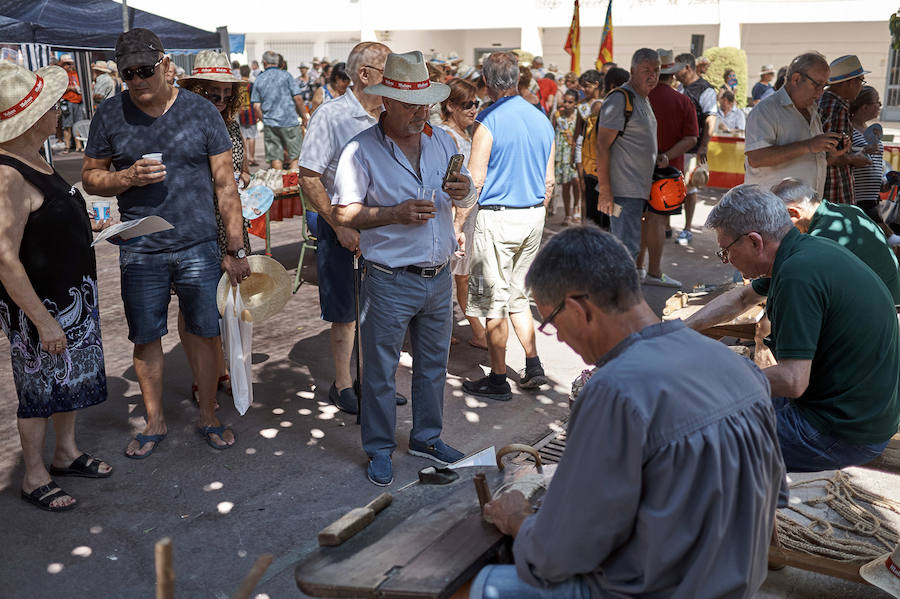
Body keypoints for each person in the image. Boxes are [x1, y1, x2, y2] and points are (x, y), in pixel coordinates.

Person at [469, 226, 786, 598]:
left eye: (552, 323)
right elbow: (772, 497)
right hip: (736, 586)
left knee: (484, 584)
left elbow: (559, 555)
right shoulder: (741, 368)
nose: (561, 338)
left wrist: (517, 519)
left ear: (577, 309)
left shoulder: (613, 390)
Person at [82, 28, 250, 457]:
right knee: (146, 336)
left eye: (145, 70)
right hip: (141, 245)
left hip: (197, 245)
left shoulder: (200, 112)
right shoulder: (109, 114)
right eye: (128, 73)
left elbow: (225, 184)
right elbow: (89, 176)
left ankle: (209, 413)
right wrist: (125, 178)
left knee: (204, 332)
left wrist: (235, 246)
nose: (137, 80)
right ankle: (155, 420)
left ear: (166, 66)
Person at [332, 50, 475, 485]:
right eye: (410, 103)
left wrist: (465, 188)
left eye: (424, 103)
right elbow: (342, 214)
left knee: (433, 367)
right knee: (379, 372)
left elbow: (463, 197)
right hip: (390, 279)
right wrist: (391, 214)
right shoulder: (360, 150)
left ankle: (426, 437)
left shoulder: (443, 142)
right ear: (386, 102)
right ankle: (378, 447)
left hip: (437, 276)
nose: (419, 111)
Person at [685, 185, 900, 472]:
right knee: (715, 404)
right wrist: (679, 332)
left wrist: (715, 379)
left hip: (841, 430)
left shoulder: (797, 276)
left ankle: (736, 512)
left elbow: (792, 380)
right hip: (858, 411)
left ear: (754, 242)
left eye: (726, 252)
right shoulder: (805, 249)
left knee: (693, 438)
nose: (728, 260)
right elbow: (742, 297)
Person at [0, 61, 113, 512]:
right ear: (32, 117)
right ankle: (33, 475)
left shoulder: (35, 158)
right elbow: (4, 257)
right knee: (38, 390)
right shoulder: (7, 174)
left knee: (68, 382)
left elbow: (44, 217)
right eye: (53, 108)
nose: (59, 115)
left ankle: (65, 453)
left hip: (69, 296)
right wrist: (44, 321)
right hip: (40, 306)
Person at [298, 42, 393, 414]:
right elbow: (309, 177)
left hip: (385, 226)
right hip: (343, 226)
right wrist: (338, 226)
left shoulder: (391, 113)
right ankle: (343, 384)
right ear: (365, 74)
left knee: (383, 308)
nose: (396, 79)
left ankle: (374, 381)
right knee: (346, 310)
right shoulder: (332, 115)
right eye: (389, 70)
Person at [458, 51, 555, 402]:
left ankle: (497, 379)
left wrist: (458, 222)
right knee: (517, 296)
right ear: (517, 80)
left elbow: (476, 180)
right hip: (532, 216)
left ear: (485, 82)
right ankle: (533, 364)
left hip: (498, 217)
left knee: (492, 301)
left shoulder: (488, 120)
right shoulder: (542, 118)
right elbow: (549, 183)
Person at [176, 50, 253, 404]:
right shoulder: (180, 125)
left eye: (227, 94)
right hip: (198, 223)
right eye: (212, 93)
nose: (221, 100)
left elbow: (243, 167)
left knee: (230, 302)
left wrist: (244, 178)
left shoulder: (232, 124)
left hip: (231, 222)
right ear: (195, 90)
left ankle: (222, 368)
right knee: (196, 305)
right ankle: (201, 375)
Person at [770, 177, 900, 303]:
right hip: (888, 299)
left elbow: (798, 282)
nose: (780, 231)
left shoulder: (822, 235)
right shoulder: (846, 210)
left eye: (780, 222)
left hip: (883, 308)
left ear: (794, 213)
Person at [744, 52, 843, 199]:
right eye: (817, 85)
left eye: (825, 86)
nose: (821, 92)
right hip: (771, 211)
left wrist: (831, 151)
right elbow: (756, 158)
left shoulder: (812, 110)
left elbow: (808, 160)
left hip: (804, 209)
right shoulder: (766, 110)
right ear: (796, 79)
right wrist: (808, 145)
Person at [594, 49, 660, 260]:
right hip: (623, 190)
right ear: (632, 71)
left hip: (636, 190)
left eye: (656, 70)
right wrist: (605, 190)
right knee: (625, 249)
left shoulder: (643, 99)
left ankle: (618, 291)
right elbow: (602, 146)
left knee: (627, 246)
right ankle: (618, 292)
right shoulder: (620, 99)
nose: (652, 75)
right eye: (646, 70)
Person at [640, 49, 697, 287]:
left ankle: (636, 268)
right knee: (656, 221)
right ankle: (653, 271)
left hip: (634, 170)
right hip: (668, 173)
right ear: (672, 75)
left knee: (640, 219)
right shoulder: (682, 100)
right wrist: (666, 156)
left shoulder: (637, 97)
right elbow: (691, 138)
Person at [437, 78, 487, 349]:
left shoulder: (467, 133)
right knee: (457, 274)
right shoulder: (445, 135)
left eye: (476, 103)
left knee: (464, 274)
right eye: (467, 104)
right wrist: (457, 221)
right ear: (451, 106)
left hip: (470, 212)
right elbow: (449, 182)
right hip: (456, 213)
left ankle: (447, 326)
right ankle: (476, 333)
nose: (473, 109)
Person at [673, 52, 716, 246]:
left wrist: (704, 147)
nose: (674, 74)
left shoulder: (706, 90)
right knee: (672, 186)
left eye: (677, 69)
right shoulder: (680, 87)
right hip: (676, 147)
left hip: (694, 148)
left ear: (688, 68)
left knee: (689, 189)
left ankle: (687, 228)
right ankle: (667, 226)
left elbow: (710, 119)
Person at [819, 54, 873, 205]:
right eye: (861, 81)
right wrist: (855, 159)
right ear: (850, 82)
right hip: (834, 190)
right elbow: (832, 156)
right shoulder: (837, 108)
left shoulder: (822, 101)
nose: (861, 87)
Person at [251, 50, 309, 170]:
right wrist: (304, 116)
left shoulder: (259, 79)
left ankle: (279, 185)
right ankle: (292, 187)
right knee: (294, 157)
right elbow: (298, 98)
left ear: (264, 63)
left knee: (275, 158)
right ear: (278, 62)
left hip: (271, 124)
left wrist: (265, 120)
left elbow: (256, 106)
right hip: (290, 122)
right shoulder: (286, 76)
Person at [850, 86, 891, 232]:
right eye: (877, 102)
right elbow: (846, 156)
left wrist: (882, 182)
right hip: (858, 199)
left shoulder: (869, 128)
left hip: (872, 197)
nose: (880, 106)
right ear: (865, 107)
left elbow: (875, 162)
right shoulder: (849, 129)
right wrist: (864, 150)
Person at [572, 69, 603, 227]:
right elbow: (578, 129)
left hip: (597, 150)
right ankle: (585, 223)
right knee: (584, 187)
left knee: (596, 188)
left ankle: (594, 221)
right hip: (582, 147)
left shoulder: (605, 103)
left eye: (586, 86)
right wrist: (573, 151)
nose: (583, 90)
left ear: (596, 85)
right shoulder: (581, 106)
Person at [553, 89, 579, 226]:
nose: (567, 104)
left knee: (577, 183)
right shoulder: (557, 116)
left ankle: (576, 208)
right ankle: (568, 214)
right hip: (562, 156)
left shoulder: (579, 116)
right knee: (566, 186)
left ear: (576, 103)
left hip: (575, 156)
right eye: (565, 101)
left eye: (571, 102)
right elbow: (551, 135)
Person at [58, 54, 84, 153]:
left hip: (78, 102)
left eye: (71, 64)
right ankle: (67, 146)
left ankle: (78, 145)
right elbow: (58, 89)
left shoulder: (76, 74)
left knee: (77, 124)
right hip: (67, 102)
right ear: (62, 65)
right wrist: (71, 88)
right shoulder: (61, 75)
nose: (69, 66)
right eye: (67, 64)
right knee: (67, 125)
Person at [238, 64, 259, 166]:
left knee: (244, 137)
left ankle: (244, 159)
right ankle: (251, 158)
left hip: (241, 112)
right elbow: (255, 100)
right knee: (252, 136)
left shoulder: (238, 85)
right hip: (251, 112)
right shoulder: (251, 85)